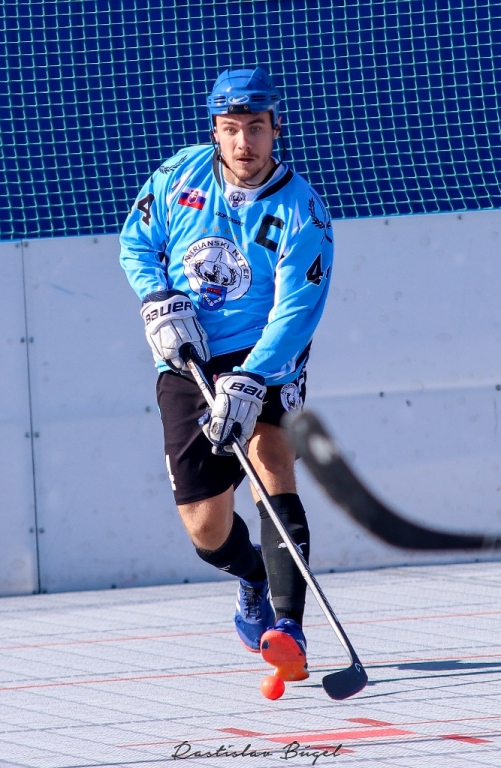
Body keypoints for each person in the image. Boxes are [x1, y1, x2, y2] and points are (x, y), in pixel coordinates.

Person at [120, 67, 333, 683]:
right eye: (232, 128)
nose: (245, 142)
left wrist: (252, 378)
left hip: (264, 356)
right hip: (187, 355)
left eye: (256, 128)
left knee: (272, 465)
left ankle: (287, 627)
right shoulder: (178, 174)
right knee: (205, 528)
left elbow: (297, 311)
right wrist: (156, 298)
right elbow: (137, 242)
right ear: (215, 130)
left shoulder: (302, 210)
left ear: (276, 129)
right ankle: (254, 575)